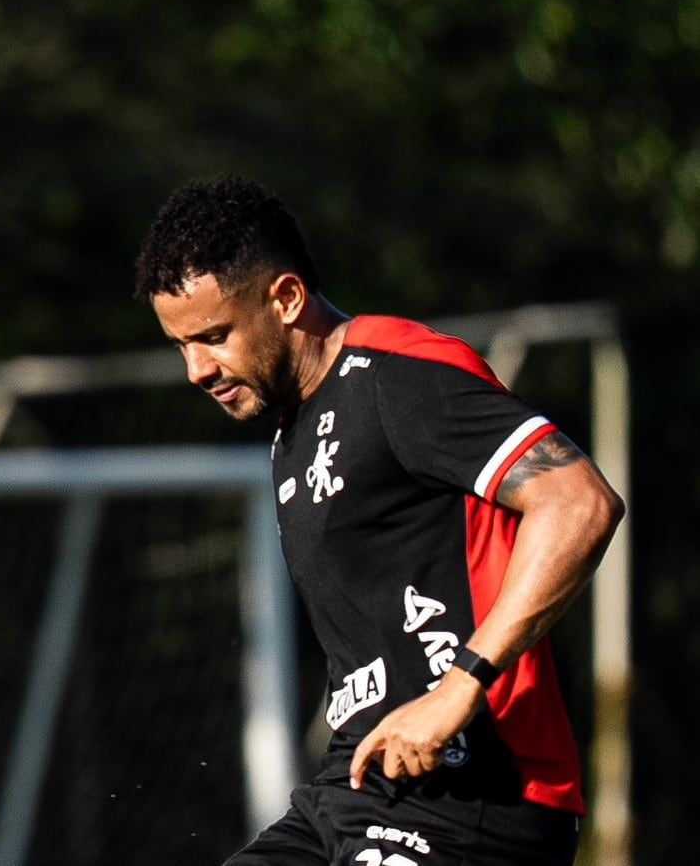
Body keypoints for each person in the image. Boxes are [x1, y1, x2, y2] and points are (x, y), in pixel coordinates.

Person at [135, 174, 624, 865]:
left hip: (480, 798)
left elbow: (577, 500)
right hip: (354, 791)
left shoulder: (399, 378)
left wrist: (459, 687)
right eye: (179, 344)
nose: (195, 369)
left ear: (284, 298)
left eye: (213, 336)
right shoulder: (291, 432)